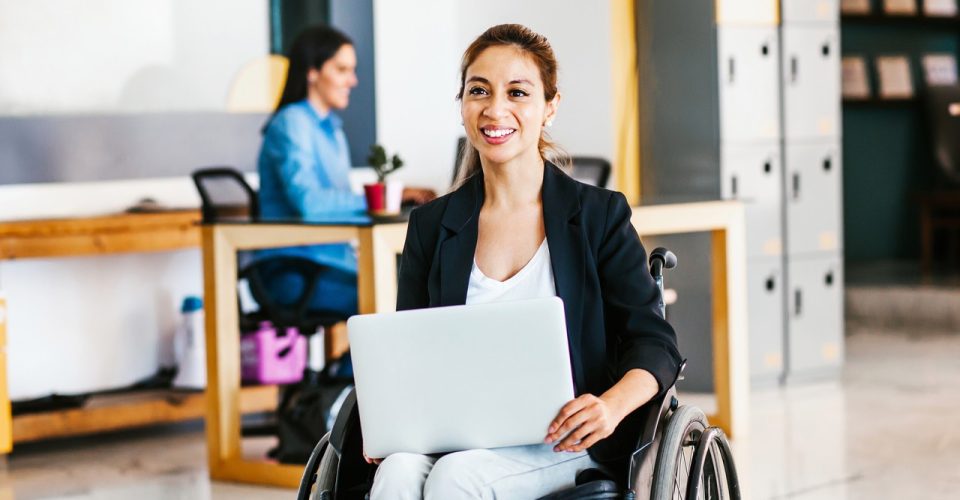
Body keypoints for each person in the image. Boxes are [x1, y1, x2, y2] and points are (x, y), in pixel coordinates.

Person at [366, 24, 682, 499]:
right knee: (395, 473)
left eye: (518, 92)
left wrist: (610, 407)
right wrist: (395, 417)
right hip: (455, 433)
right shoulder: (432, 225)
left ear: (550, 106)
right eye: (479, 91)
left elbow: (655, 345)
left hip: (565, 440)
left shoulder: (598, 216)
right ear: (463, 104)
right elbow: (411, 347)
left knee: (456, 479)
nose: (495, 110)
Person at [256, 25, 435, 318]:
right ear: (312, 72)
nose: (352, 80)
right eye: (342, 70)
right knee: (395, 299)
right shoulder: (292, 123)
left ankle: (349, 366)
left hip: (332, 264)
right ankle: (351, 367)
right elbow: (310, 204)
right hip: (293, 270)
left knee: (419, 286)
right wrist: (385, 199)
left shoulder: (333, 131)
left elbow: (335, 200)